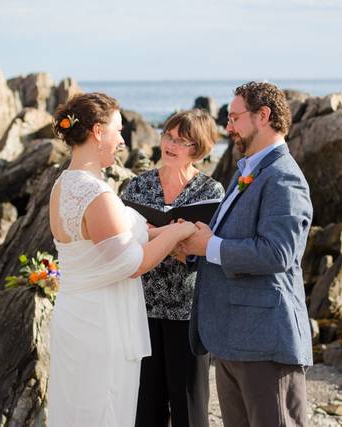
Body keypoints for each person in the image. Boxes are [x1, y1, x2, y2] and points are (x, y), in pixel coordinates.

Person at [46, 92, 197, 427]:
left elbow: (113, 241)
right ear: (98, 132)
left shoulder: (63, 185)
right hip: (101, 327)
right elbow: (133, 264)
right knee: (105, 410)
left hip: (75, 316)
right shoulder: (96, 195)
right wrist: (178, 232)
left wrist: (162, 232)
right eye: (117, 130)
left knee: (76, 409)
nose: (121, 139)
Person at [179, 82, 314, 427]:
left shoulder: (284, 177)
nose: (228, 127)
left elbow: (278, 252)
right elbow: (225, 240)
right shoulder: (249, 171)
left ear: (263, 116)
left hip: (265, 342)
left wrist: (207, 246)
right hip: (231, 340)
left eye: (235, 118)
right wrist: (191, 248)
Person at [121, 109, 225, 427]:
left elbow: (208, 251)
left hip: (188, 312)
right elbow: (121, 245)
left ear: (199, 148)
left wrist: (156, 236)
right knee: (144, 408)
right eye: (168, 135)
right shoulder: (136, 188)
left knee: (189, 409)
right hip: (140, 308)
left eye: (181, 140)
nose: (170, 143)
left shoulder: (211, 193)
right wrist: (175, 236)